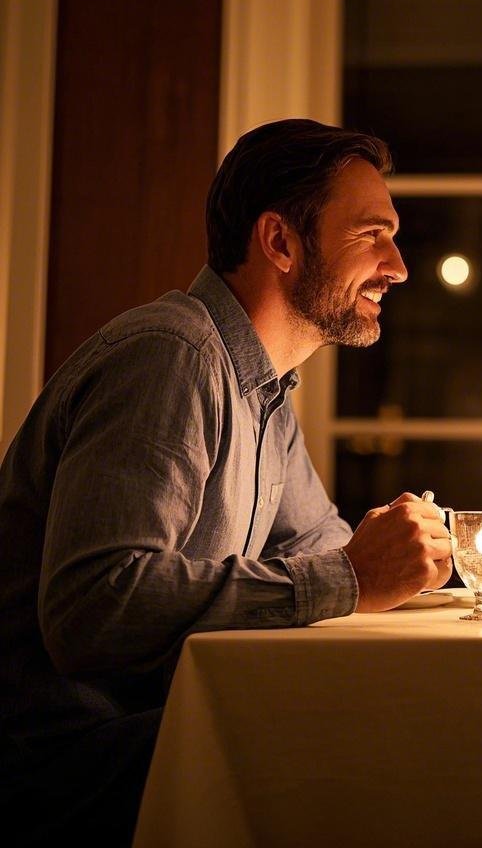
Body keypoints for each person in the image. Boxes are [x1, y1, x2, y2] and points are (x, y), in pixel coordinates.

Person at [0, 118, 453, 846]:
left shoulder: (262, 390)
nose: (397, 265)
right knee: (378, 765)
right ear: (279, 242)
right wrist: (348, 577)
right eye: (372, 234)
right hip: (66, 766)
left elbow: (328, 547)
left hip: (156, 731)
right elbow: (94, 607)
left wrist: (443, 565)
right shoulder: (171, 356)